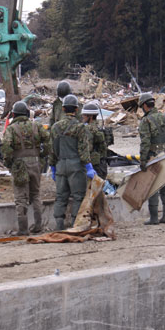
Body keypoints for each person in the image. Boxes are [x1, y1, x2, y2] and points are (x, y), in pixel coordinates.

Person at [1, 101, 51, 235]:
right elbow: (47, 140)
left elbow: (6, 147)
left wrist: (9, 163)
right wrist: (42, 157)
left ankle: (23, 229)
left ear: (14, 114)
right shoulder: (36, 125)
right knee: (35, 195)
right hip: (35, 163)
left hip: (19, 166)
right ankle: (38, 226)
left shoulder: (11, 129)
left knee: (21, 198)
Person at [49, 94, 95, 230]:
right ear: (76, 109)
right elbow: (83, 150)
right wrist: (89, 166)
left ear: (62, 109)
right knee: (78, 196)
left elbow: (52, 150)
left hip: (61, 165)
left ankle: (59, 225)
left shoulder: (55, 127)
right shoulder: (80, 127)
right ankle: (75, 224)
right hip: (76, 166)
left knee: (60, 196)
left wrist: (52, 167)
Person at [138, 92, 165, 225]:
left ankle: (154, 217)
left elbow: (145, 142)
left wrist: (143, 160)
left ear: (144, 105)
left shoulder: (146, 121)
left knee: (153, 187)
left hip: (153, 157)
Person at [81, 102, 108, 179]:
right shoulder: (98, 127)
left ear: (91, 116)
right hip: (101, 164)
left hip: (94, 165)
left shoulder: (88, 129)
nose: (83, 116)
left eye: (85, 115)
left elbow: (87, 149)